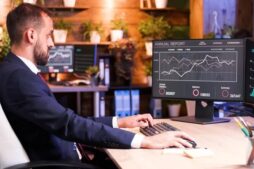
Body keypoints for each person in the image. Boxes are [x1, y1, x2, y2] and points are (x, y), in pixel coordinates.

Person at [0, 3, 194, 163]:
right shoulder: (18, 78)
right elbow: (68, 124)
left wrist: (120, 122)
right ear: (31, 35)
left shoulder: (18, 72)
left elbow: (67, 119)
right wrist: (144, 140)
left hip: (71, 155)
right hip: (62, 163)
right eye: (49, 34)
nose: (52, 43)